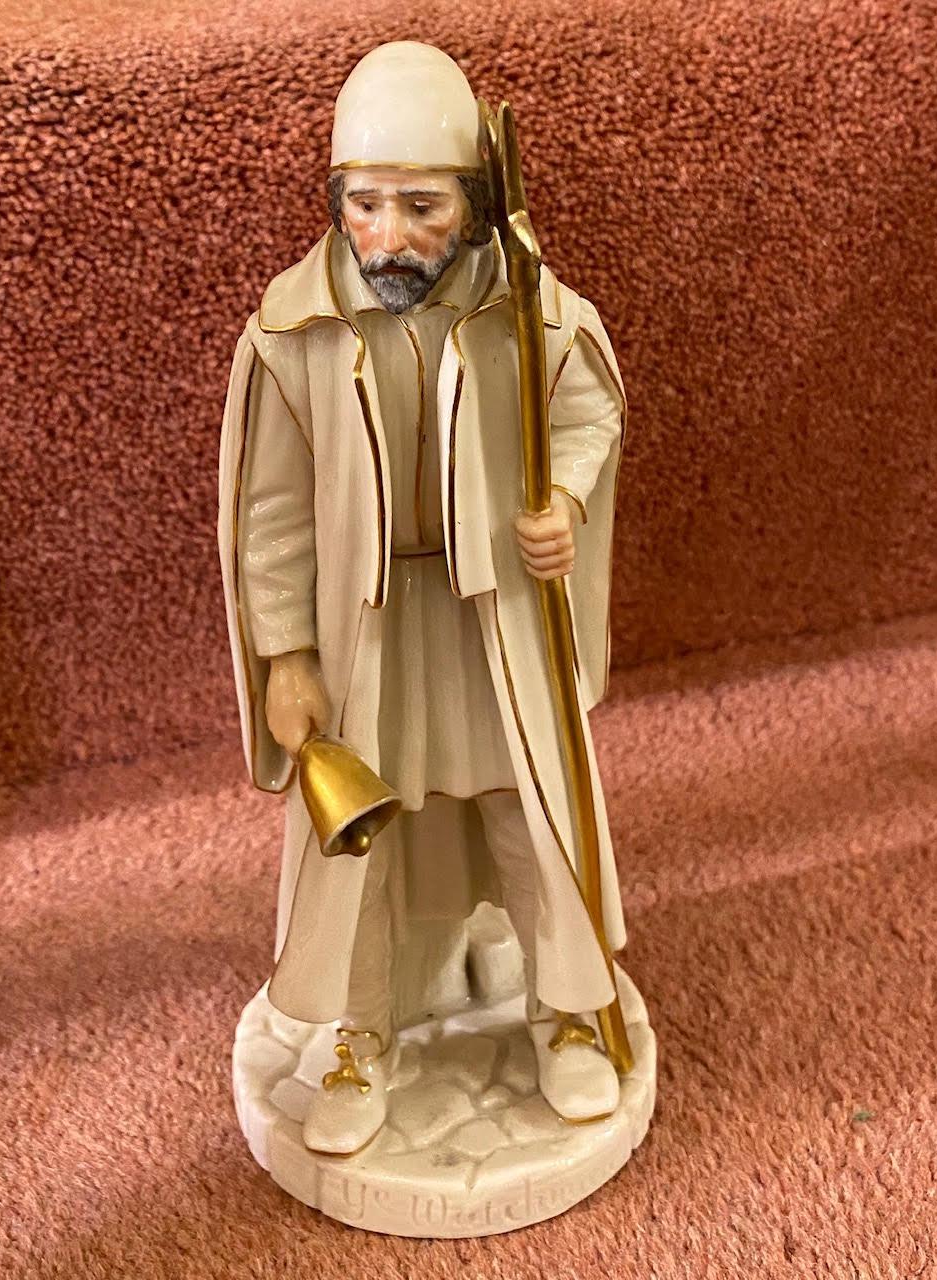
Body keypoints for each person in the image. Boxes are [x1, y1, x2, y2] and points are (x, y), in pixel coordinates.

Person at [218, 40, 629, 1155]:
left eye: (420, 205)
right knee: (361, 845)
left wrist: (564, 500)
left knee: (529, 814)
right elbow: (271, 512)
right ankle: (363, 1034)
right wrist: (286, 653)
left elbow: (585, 409)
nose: (389, 234)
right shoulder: (294, 331)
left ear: (472, 202)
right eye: (365, 204)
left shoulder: (527, 309)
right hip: (366, 634)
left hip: (490, 621)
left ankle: (566, 1010)